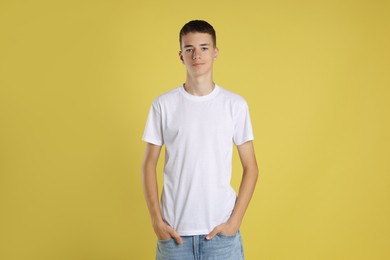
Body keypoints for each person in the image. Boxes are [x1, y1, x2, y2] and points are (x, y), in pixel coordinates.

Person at [142, 20, 259, 260]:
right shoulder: (163, 105)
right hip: (175, 236)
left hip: (220, 237)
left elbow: (251, 168)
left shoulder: (234, 105)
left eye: (204, 48)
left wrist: (234, 222)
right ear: (181, 55)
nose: (197, 55)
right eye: (189, 49)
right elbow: (148, 165)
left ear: (215, 53)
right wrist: (157, 221)